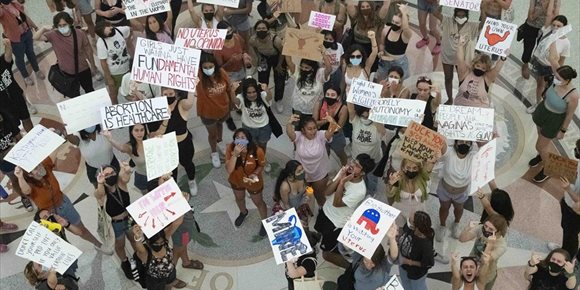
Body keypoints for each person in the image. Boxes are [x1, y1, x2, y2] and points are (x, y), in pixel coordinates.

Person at [15, 153, 112, 254]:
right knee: (60, 238)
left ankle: (97, 244)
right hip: (50, 215)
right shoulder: (30, 185)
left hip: (64, 203)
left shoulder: (45, 166)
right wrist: (20, 177)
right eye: (35, 168)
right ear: (30, 174)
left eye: (39, 164)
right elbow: (26, 191)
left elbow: (53, 153)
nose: (39, 167)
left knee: (80, 229)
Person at [314, 154, 376, 268]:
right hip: (325, 211)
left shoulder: (360, 191)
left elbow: (337, 203)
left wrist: (342, 182)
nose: (352, 165)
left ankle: (351, 268)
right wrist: (339, 177)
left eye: (357, 165)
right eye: (353, 161)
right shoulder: (345, 172)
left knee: (327, 253)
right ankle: (320, 239)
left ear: (362, 173)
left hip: (335, 222)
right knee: (319, 230)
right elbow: (327, 192)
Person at [33, 12, 101, 98]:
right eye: (59, 26)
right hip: (66, 72)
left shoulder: (79, 33)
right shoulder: (53, 35)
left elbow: (88, 51)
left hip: (83, 69)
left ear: (69, 23)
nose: (62, 28)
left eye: (64, 25)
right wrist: (43, 28)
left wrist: (93, 65)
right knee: (74, 95)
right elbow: (35, 37)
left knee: (90, 90)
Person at [529, 66, 578, 182]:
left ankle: (547, 169)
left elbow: (569, 115)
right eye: (555, 76)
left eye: (558, 78)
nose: (555, 79)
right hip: (543, 111)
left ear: (567, 80)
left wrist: (563, 131)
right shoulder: (556, 82)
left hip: (554, 119)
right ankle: (541, 156)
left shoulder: (573, 95)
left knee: (539, 146)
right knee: (541, 140)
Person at [151, 88, 198, 195]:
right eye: (165, 94)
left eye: (171, 93)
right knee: (171, 170)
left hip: (184, 144)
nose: (168, 96)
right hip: (167, 146)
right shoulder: (158, 108)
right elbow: (155, 133)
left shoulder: (181, 105)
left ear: (176, 94)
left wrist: (191, 87)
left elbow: (189, 103)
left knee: (188, 164)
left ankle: (191, 180)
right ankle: (174, 189)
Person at [94, 162, 137, 279]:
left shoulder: (120, 184)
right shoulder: (101, 192)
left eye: (112, 172)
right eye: (106, 174)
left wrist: (127, 170)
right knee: (120, 245)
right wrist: (100, 183)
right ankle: (125, 262)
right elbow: (99, 193)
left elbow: (126, 177)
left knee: (134, 239)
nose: (110, 175)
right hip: (115, 224)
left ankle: (138, 256)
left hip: (128, 218)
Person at [431, 8, 480, 104]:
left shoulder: (471, 26)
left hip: (462, 58)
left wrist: (483, 8)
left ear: (467, 16)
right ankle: (450, 99)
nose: (460, 17)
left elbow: (483, 23)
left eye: (463, 16)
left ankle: (462, 99)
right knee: (448, 77)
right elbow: (435, 12)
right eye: (458, 15)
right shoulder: (447, 21)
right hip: (447, 56)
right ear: (454, 15)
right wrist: (442, 3)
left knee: (463, 80)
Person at [286, 115, 337, 207]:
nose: (313, 131)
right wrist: (289, 123)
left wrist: (331, 121)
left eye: (314, 128)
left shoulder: (320, 135)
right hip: (302, 174)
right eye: (309, 129)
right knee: (301, 197)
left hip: (319, 174)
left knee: (320, 196)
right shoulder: (298, 136)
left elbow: (330, 132)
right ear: (303, 130)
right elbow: (290, 134)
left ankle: (323, 212)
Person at [225, 128, 268, 237]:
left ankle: (264, 221)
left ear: (248, 140)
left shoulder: (257, 151)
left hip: (253, 182)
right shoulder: (230, 148)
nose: (240, 140)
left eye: (243, 138)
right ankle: (243, 212)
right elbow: (229, 170)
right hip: (236, 179)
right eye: (237, 138)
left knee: (258, 202)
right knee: (239, 198)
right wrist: (235, 155)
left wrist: (255, 173)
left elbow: (261, 165)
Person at [156, 174, 204, 271]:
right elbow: (177, 221)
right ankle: (170, 273)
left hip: (185, 227)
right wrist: (184, 202)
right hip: (181, 229)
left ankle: (186, 261)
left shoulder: (168, 189)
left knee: (183, 244)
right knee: (178, 250)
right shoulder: (163, 200)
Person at [196, 52, 234, 168]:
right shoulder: (199, 76)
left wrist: (231, 104)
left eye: (210, 67)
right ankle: (214, 152)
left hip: (223, 109)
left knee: (220, 125)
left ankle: (220, 141)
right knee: (212, 134)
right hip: (207, 113)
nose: (208, 69)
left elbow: (229, 88)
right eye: (205, 68)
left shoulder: (222, 73)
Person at [527, 13, 571, 113]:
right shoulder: (547, 32)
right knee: (539, 85)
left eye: (559, 26)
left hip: (550, 68)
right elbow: (548, 15)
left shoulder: (566, 43)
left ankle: (545, 106)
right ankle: (537, 104)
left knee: (548, 89)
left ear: (564, 27)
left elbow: (562, 60)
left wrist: (558, 74)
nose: (555, 27)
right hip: (539, 63)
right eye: (554, 25)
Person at [435, 140, 477, 242]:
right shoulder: (449, 152)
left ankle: (456, 223)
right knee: (444, 208)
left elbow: (485, 149)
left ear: (471, 145)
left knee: (459, 209)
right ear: (455, 143)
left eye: (467, 143)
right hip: (445, 189)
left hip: (461, 193)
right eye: (461, 142)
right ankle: (442, 225)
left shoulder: (473, 157)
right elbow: (441, 142)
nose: (464, 144)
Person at [452, 35, 507, 107]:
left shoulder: (487, 78)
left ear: (486, 70)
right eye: (478, 66)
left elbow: (496, 69)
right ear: (474, 65)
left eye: (483, 68)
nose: (480, 69)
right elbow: (460, 60)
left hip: (479, 110)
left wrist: (503, 58)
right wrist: (460, 45)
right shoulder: (465, 73)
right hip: (461, 106)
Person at [232, 78, 274, 172]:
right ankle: (253, 161)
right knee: (252, 147)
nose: (252, 95)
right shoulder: (241, 97)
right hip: (248, 129)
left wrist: (267, 89)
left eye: (254, 92)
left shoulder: (262, 95)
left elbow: (269, 98)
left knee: (262, 146)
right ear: (244, 92)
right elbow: (236, 102)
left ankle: (262, 160)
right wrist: (232, 91)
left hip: (264, 127)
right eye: (249, 92)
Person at [132, 220, 188, 289]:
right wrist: (137, 237)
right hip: (155, 281)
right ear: (148, 241)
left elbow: (177, 222)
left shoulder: (164, 240)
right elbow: (139, 247)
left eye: (161, 242)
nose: (160, 245)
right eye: (156, 243)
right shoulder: (146, 253)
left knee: (169, 285)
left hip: (170, 272)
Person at [459, 214, 508, 290]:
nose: (486, 230)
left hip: (485, 276)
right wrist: (467, 228)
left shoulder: (501, 246)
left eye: (491, 229)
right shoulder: (481, 229)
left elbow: (483, 261)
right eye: (485, 226)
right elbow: (462, 239)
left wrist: (490, 245)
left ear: (499, 232)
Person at [0, 0, 43, 86]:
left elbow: (25, 17)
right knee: (20, 58)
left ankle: (37, 70)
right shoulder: (1, 9)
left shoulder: (14, 3)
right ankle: (25, 76)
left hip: (27, 33)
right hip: (15, 39)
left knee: (31, 53)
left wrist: (35, 26)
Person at [347, 103, 386, 197]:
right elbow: (351, 110)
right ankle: (360, 194)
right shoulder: (355, 120)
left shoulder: (378, 123)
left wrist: (375, 114)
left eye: (368, 115)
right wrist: (350, 94)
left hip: (373, 159)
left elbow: (383, 131)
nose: (366, 118)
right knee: (359, 177)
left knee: (372, 178)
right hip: (357, 159)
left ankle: (371, 194)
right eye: (363, 116)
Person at [547, 145, 580, 258]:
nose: (575, 150)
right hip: (567, 203)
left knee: (571, 234)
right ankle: (564, 249)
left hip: (575, 212)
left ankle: (567, 255)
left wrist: (568, 189)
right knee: (567, 230)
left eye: (578, 150)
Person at [103, 124, 156, 193]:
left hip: (155, 174)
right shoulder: (130, 147)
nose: (139, 133)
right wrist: (110, 139)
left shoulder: (150, 139)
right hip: (143, 177)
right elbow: (121, 148)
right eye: (136, 130)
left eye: (142, 130)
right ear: (131, 132)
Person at [248, 20, 285, 113]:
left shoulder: (275, 40)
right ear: (255, 30)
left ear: (268, 30)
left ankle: (278, 100)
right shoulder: (253, 40)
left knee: (280, 81)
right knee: (262, 80)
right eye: (259, 28)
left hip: (277, 57)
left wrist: (279, 65)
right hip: (264, 58)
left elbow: (282, 52)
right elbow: (253, 48)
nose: (261, 30)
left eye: (263, 28)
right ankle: (264, 98)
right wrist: (258, 58)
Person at [520, 0, 561, 79]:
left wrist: (547, 7)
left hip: (545, 29)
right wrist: (543, 8)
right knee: (528, 48)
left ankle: (536, 65)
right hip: (531, 26)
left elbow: (555, 17)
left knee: (541, 49)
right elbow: (530, 18)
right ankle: (525, 64)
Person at [0, 38, 34, 132]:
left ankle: (33, 136)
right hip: (4, 106)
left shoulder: (2, 62)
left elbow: (8, 56)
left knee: (26, 119)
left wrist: (8, 45)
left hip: (17, 97)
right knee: (13, 130)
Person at [286, 56, 332, 123]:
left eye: (306, 68)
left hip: (313, 110)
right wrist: (286, 47)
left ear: (313, 68)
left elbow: (329, 69)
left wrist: (324, 54)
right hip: (297, 108)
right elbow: (289, 62)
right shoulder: (297, 71)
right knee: (296, 128)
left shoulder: (319, 73)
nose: (303, 69)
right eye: (302, 67)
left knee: (310, 130)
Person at [397, 211, 435, 290]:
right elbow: (403, 232)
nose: (408, 221)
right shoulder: (410, 227)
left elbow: (428, 263)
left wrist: (408, 261)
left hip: (416, 273)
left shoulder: (425, 245)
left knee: (417, 287)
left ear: (416, 226)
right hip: (403, 266)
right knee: (406, 284)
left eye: (411, 221)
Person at [95, 21, 130, 104]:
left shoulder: (120, 30)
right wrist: (109, 78)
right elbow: (103, 62)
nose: (110, 33)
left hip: (127, 69)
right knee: (113, 94)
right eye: (106, 35)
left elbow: (130, 30)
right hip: (114, 73)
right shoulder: (101, 43)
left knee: (131, 91)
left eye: (110, 31)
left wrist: (129, 42)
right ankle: (115, 107)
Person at [273, 160, 313, 232]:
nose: (302, 172)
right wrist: (296, 219)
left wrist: (307, 195)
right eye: (299, 171)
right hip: (288, 209)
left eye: (302, 169)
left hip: (299, 206)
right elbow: (286, 204)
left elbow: (306, 189)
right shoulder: (285, 187)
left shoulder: (302, 178)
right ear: (291, 174)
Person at [313, 86, 348, 166]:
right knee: (324, 154)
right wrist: (326, 120)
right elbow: (314, 123)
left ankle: (345, 169)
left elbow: (338, 129)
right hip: (321, 134)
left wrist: (331, 121)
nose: (329, 97)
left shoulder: (343, 108)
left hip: (336, 136)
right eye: (327, 94)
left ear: (338, 97)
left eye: (333, 95)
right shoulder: (319, 103)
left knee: (341, 154)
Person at [377, 4, 412, 81]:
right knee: (381, 79)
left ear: (403, 23)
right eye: (393, 21)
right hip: (385, 60)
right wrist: (381, 51)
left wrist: (404, 12)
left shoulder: (405, 34)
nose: (394, 24)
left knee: (400, 81)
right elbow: (382, 44)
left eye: (397, 23)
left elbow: (406, 28)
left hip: (399, 62)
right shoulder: (386, 30)